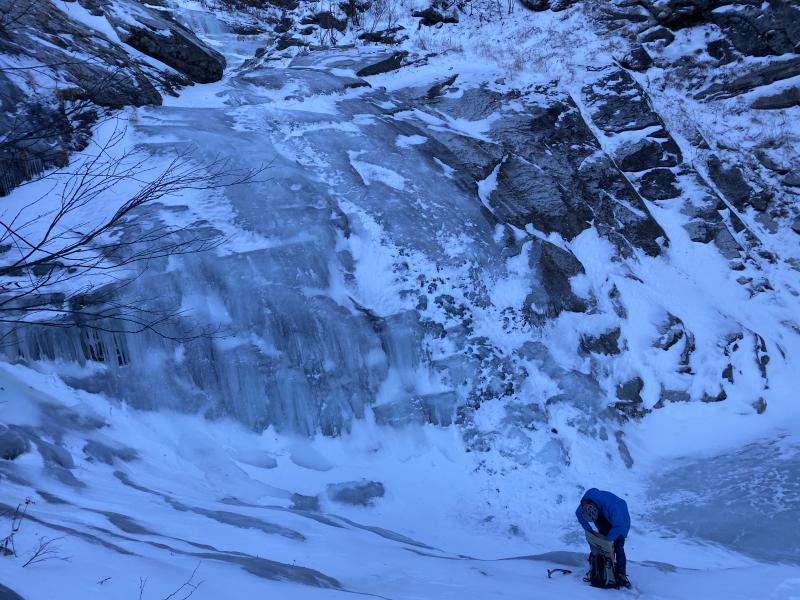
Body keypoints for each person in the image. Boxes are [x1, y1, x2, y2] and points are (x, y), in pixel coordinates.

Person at [576, 488, 631, 588]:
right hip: (604, 514)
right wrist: (589, 530)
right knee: (604, 545)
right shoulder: (585, 504)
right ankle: (606, 568)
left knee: (618, 546)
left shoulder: (614, 507)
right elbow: (579, 515)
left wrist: (607, 541)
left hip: (621, 520)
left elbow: (619, 525)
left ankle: (621, 574)